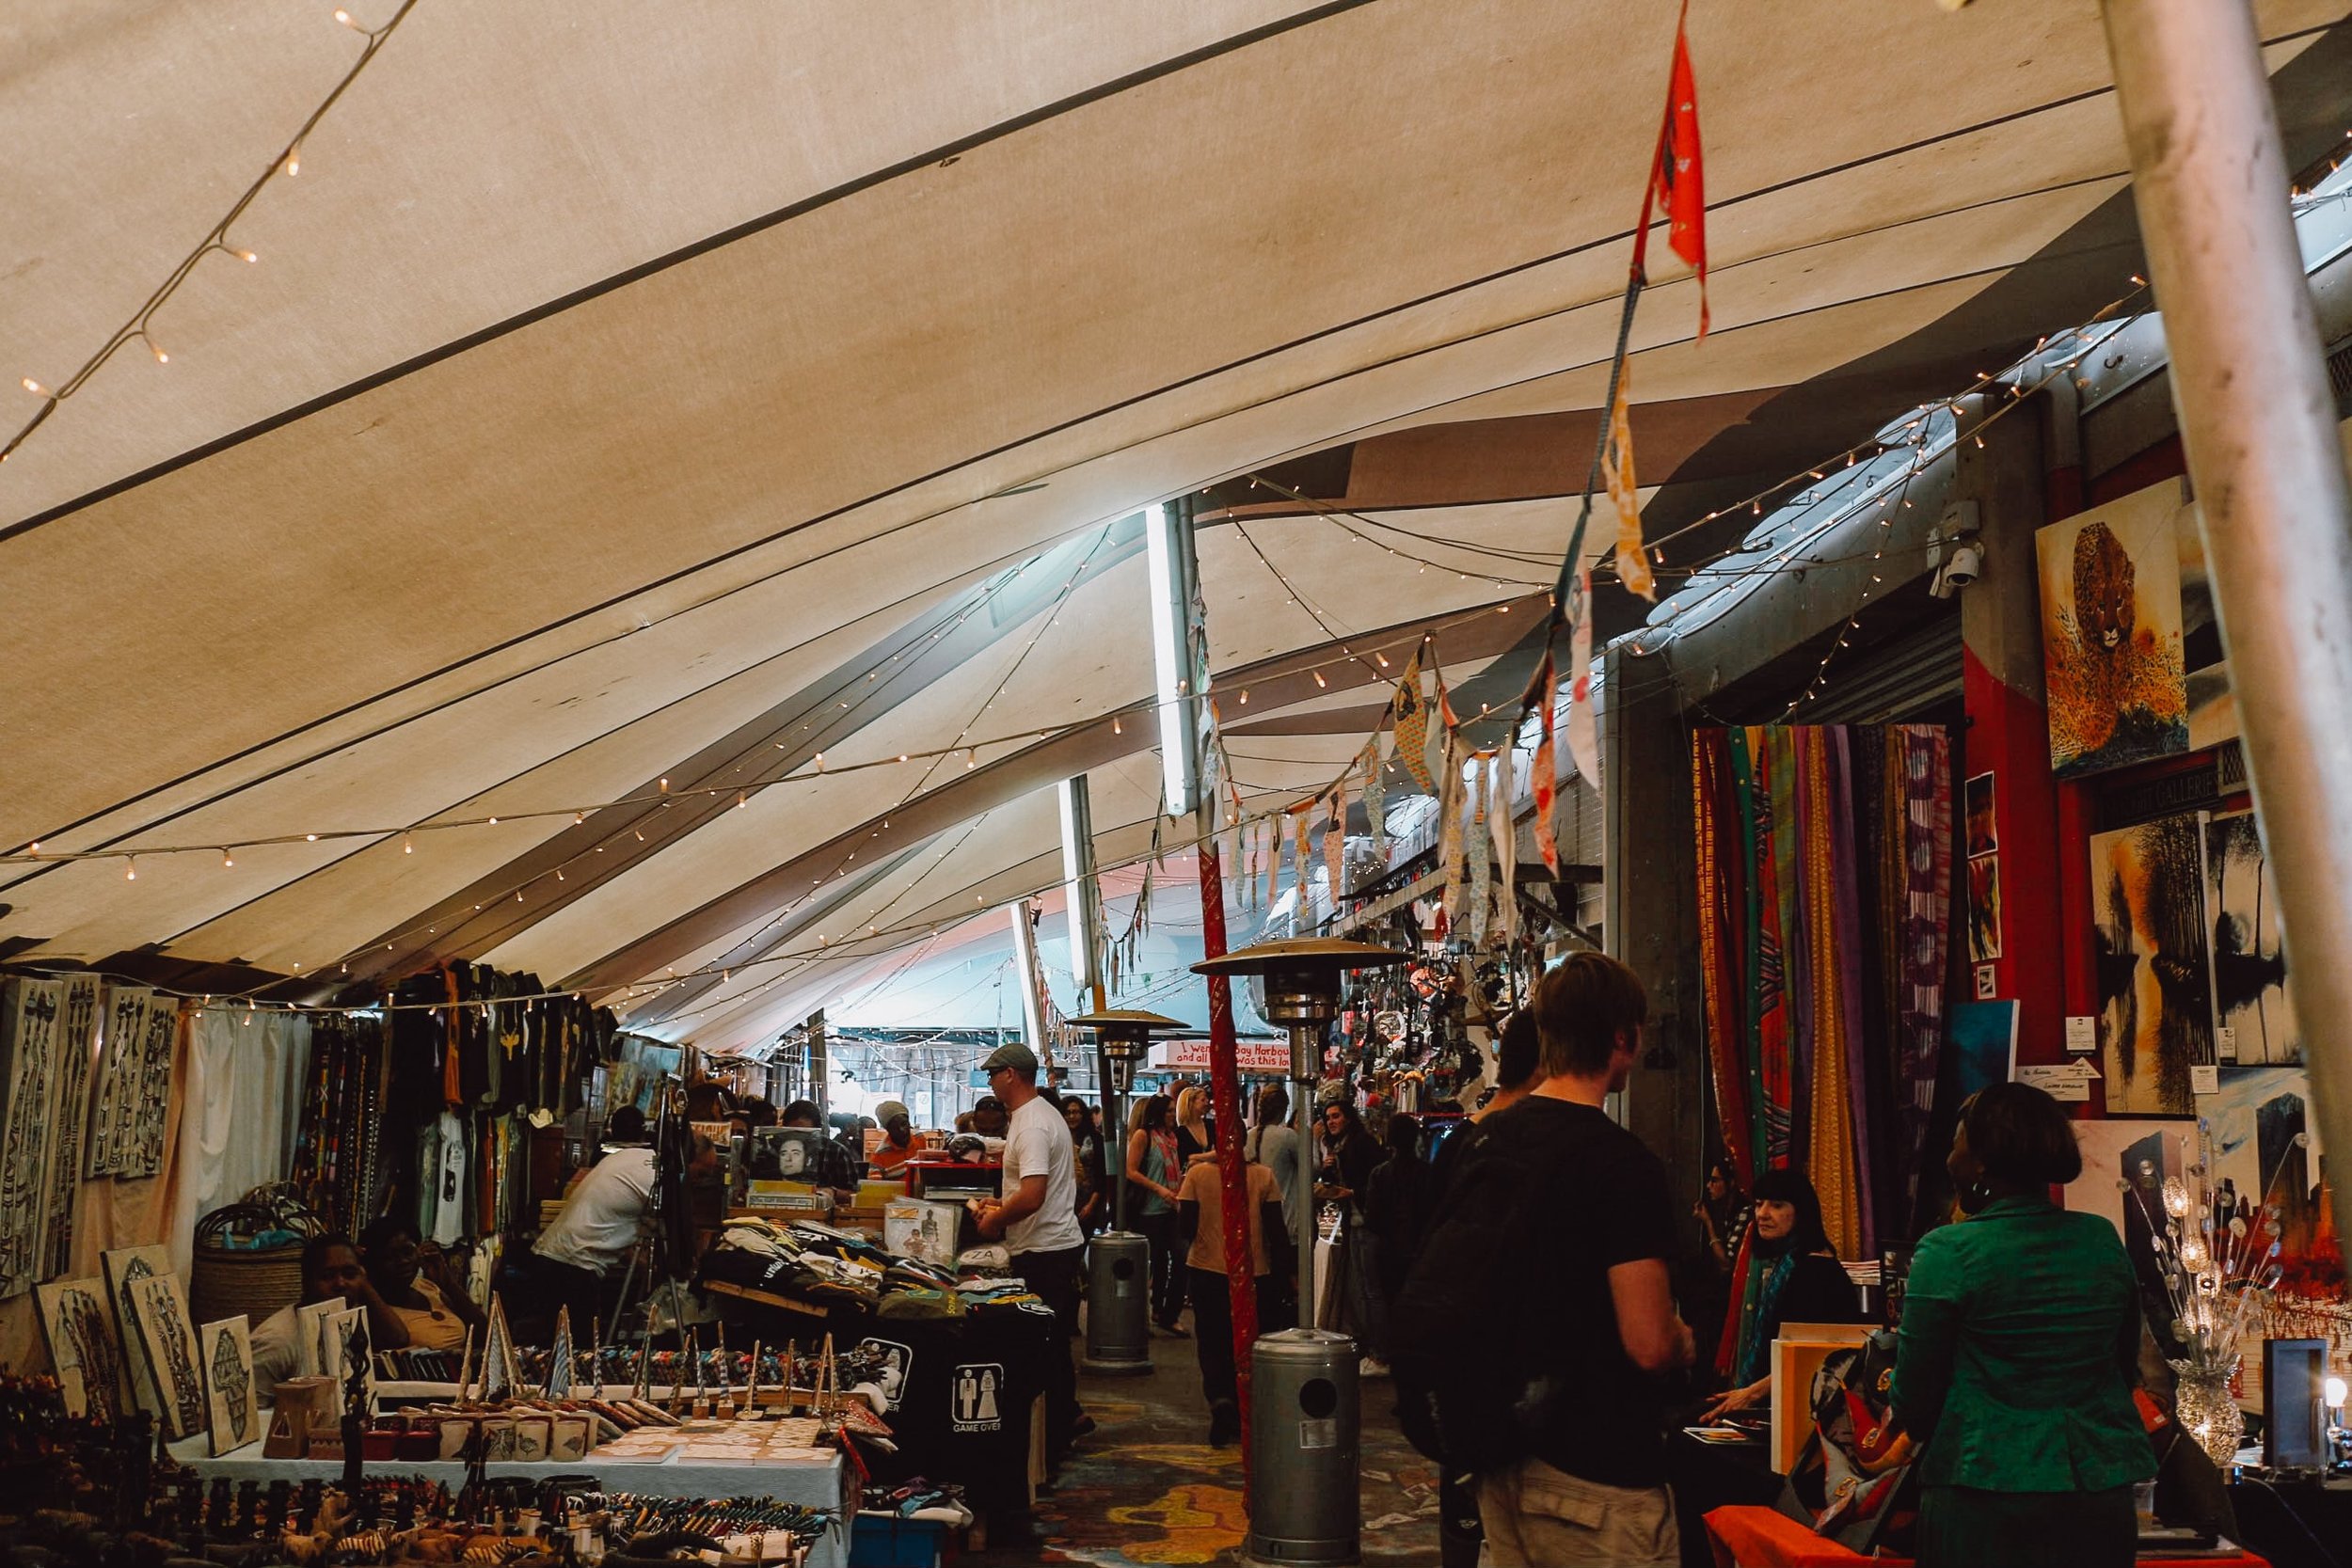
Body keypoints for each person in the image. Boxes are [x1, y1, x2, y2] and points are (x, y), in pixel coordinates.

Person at [1394, 952, 1693, 1567]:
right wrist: (1683, 1338)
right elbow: (1648, 1343)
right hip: (1598, 1479)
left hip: (1502, 1461)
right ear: (1622, 1037)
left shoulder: (1483, 1138)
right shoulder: (1621, 1164)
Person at [1891, 1082, 2153, 1568]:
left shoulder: (1946, 1251)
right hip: (2095, 1490)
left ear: (1983, 1160)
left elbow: (1914, 1400)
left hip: (1983, 1492)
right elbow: (2122, 1367)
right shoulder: (2100, 1239)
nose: (1950, 1159)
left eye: (1956, 1143)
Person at [967, 1040, 1091, 1467]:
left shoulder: (1033, 1124)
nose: (988, 1081)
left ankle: (1056, 1433)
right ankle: (1067, 1417)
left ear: (1010, 1076)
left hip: (1046, 1250)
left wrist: (995, 1221)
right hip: (1049, 1243)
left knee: (1045, 1345)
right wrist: (1000, 1207)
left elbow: (1034, 1194)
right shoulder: (1033, 1117)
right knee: (1051, 1342)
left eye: (992, 1073)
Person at [1700, 1168, 1867, 1421]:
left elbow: (1809, 1360)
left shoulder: (1816, 1271)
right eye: (1758, 1205)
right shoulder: (1791, 1261)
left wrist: (1749, 1395)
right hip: (1774, 1398)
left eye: (1777, 1205)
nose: (1763, 1214)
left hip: (1798, 1410)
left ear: (1801, 1211)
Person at [1176, 1142, 1290, 1446]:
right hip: (1255, 1273)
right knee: (1250, 1341)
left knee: (1212, 1340)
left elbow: (1185, 1226)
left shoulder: (1197, 1176)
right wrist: (1286, 1276)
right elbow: (1277, 1231)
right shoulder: (1264, 1176)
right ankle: (1244, 1406)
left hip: (1206, 1269)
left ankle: (1219, 1397)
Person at [528, 1105, 658, 1338]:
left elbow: (616, 1217)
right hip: (572, 1266)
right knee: (573, 1352)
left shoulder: (620, 1158)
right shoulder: (649, 1171)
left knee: (562, 1351)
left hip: (556, 1257)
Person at [250, 1234, 412, 1392]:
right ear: (307, 1282)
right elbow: (249, 1413)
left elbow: (397, 1339)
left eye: (349, 1274)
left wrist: (363, 1285)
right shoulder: (276, 1341)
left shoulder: (347, 1319)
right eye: (327, 1276)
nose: (341, 1283)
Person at [358, 1215, 486, 1353]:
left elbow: (483, 1333)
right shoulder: (372, 1305)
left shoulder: (428, 1288)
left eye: (408, 1252)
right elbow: (397, 1339)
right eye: (391, 1256)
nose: (403, 1261)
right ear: (373, 1262)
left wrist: (449, 1283)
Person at [1359, 1112, 1432, 1357]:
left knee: (1383, 1300)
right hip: (1420, 1248)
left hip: (1388, 1248)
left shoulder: (1380, 1174)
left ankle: (1384, 1351)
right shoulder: (1429, 1174)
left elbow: (1372, 1218)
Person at [1124, 1093, 1189, 1336]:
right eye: (1169, 1111)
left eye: (1174, 1110)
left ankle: (1167, 1313)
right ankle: (1151, 1312)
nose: (1173, 1115)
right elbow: (1131, 1171)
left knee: (1180, 1259)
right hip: (1148, 1209)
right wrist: (1158, 1188)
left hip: (1171, 1207)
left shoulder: (1172, 1138)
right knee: (1155, 1263)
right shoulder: (1144, 1136)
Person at [1246, 1085, 1303, 1328]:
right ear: (1283, 1109)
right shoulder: (1287, 1136)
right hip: (1287, 1216)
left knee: (1266, 1277)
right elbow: (1313, 1167)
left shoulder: (1251, 1135)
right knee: (1288, 1277)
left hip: (1260, 1217)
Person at [778, 1099, 861, 1206]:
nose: (799, 1138)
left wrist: (832, 1192)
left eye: (806, 1133)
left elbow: (854, 1194)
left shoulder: (836, 1152)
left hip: (822, 1218)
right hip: (776, 1215)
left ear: (818, 1130)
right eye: (792, 1132)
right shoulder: (774, 1150)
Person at [1064, 1096, 1107, 1237]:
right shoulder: (1058, 1137)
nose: (1072, 1116)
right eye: (1068, 1112)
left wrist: (1091, 1205)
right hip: (1063, 1203)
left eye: (1076, 1112)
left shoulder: (1095, 1139)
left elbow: (1101, 1174)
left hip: (1088, 1201)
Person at [868, 1100, 919, 1175]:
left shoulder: (920, 1138)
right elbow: (874, 1185)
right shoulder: (879, 1156)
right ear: (887, 1130)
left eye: (904, 1124)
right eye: (895, 1127)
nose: (902, 1130)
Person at [1174, 1085, 1216, 1169]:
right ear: (1190, 1103)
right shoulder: (1180, 1132)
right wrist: (1209, 1156)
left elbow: (1220, 1153)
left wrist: (1194, 1157)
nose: (1207, 1102)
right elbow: (1182, 1160)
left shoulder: (1211, 1125)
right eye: (1202, 1100)